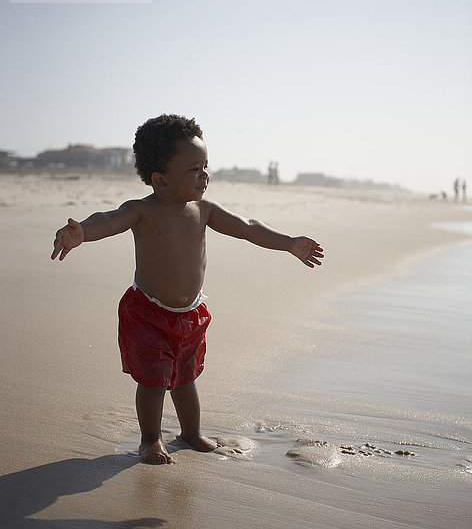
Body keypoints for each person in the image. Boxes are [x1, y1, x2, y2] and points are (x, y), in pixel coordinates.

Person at [51, 114, 324, 465]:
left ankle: (190, 433)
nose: (204, 175)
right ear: (160, 180)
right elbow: (108, 219)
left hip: (191, 314)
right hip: (148, 313)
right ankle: (150, 439)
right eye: (194, 169)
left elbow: (247, 227)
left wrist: (288, 243)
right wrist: (82, 233)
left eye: (205, 166)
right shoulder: (142, 211)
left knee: (185, 376)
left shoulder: (205, 210)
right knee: (153, 380)